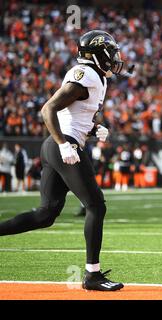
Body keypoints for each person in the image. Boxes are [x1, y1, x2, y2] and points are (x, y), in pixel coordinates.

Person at [0, 30, 129, 291]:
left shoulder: (97, 78)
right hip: (62, 145)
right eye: (111, 52)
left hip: (61, 144)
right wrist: (64, 144)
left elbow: (76, 115)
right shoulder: (86, 74)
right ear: (98, 54)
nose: (116, 57)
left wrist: (93, 129)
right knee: (96, 205)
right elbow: (48, 109)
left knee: (45, 215)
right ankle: (92, 275)